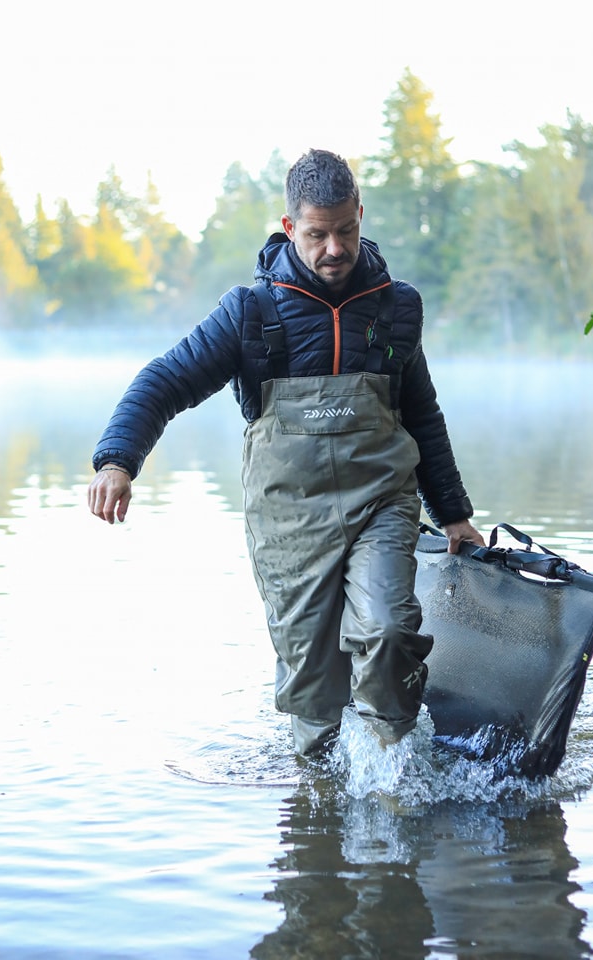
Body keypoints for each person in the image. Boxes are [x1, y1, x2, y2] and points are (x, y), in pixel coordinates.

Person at [87, 148, 485, 756]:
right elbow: (164, 381)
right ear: (289, 228)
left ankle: (396, 772)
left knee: (387, 628)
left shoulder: (397, 307)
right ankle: (317, 811)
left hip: (383, 503)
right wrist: (118, 460)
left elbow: (422, 413)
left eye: (346, 231)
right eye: (318, 235)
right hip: (288, 521)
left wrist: (453, 513)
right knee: (314, 690)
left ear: (360, 213)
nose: (335, 249)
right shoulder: (250, 313)